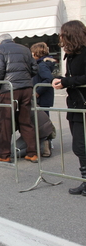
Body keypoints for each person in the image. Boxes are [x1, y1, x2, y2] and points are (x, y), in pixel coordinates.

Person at [0, 34, 38, 163]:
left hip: (9, 88)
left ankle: (3, 155)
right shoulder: (25, 48)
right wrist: (25, 78)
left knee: (5, 122)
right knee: (26, 120)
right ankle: (32, 153)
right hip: (26, 87)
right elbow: (34, 68)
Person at [52, 20, 86, 195]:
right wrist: (61, 80)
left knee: (81, 146)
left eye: (63, 33)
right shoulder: (72, 54)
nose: (61, 37)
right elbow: (72, 77)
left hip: (83, 105)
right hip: (74, 104)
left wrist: (65, 81)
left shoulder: (84, 53)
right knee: (79, 146)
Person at [30, 42, 55, 115]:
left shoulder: (41, 65)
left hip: (41, 99)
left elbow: (48, 79)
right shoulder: (42, 64)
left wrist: (37, 92)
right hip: (43, 98)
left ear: (35, 53)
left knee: (42, 120)